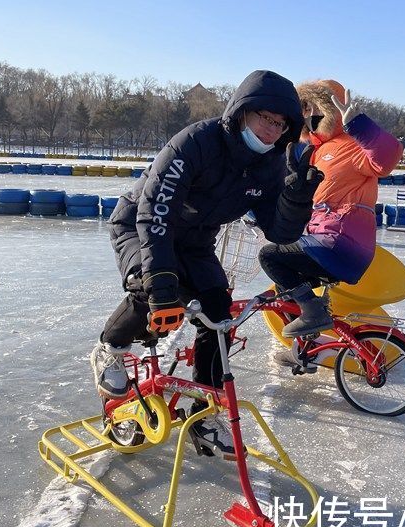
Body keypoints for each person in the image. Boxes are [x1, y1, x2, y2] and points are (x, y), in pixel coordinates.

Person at [90, 70, 321, 458]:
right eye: (265, 117)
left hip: (195, 241)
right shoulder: (196, 142)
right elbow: (154, 213)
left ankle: (206, 416)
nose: (271, 129)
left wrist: (297, 196)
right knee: (153, 288)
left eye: (281, 123)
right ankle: (109, 349)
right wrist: (161, 283)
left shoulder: (270, 167)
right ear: (243, 111)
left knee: (218, 314)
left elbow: (279, 232)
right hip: (140, 224)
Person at [258, 79, 402, 367]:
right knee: (288, 289)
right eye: (302, 109)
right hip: (326, 238)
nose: (307, 114)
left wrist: (357, 124)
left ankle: (313, 315)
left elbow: (388, 157)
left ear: (328, 108)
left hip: (341, 243)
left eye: (312, 107)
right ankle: (308, 351)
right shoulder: (315, 151)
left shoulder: (350, 146)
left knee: (270, 256)